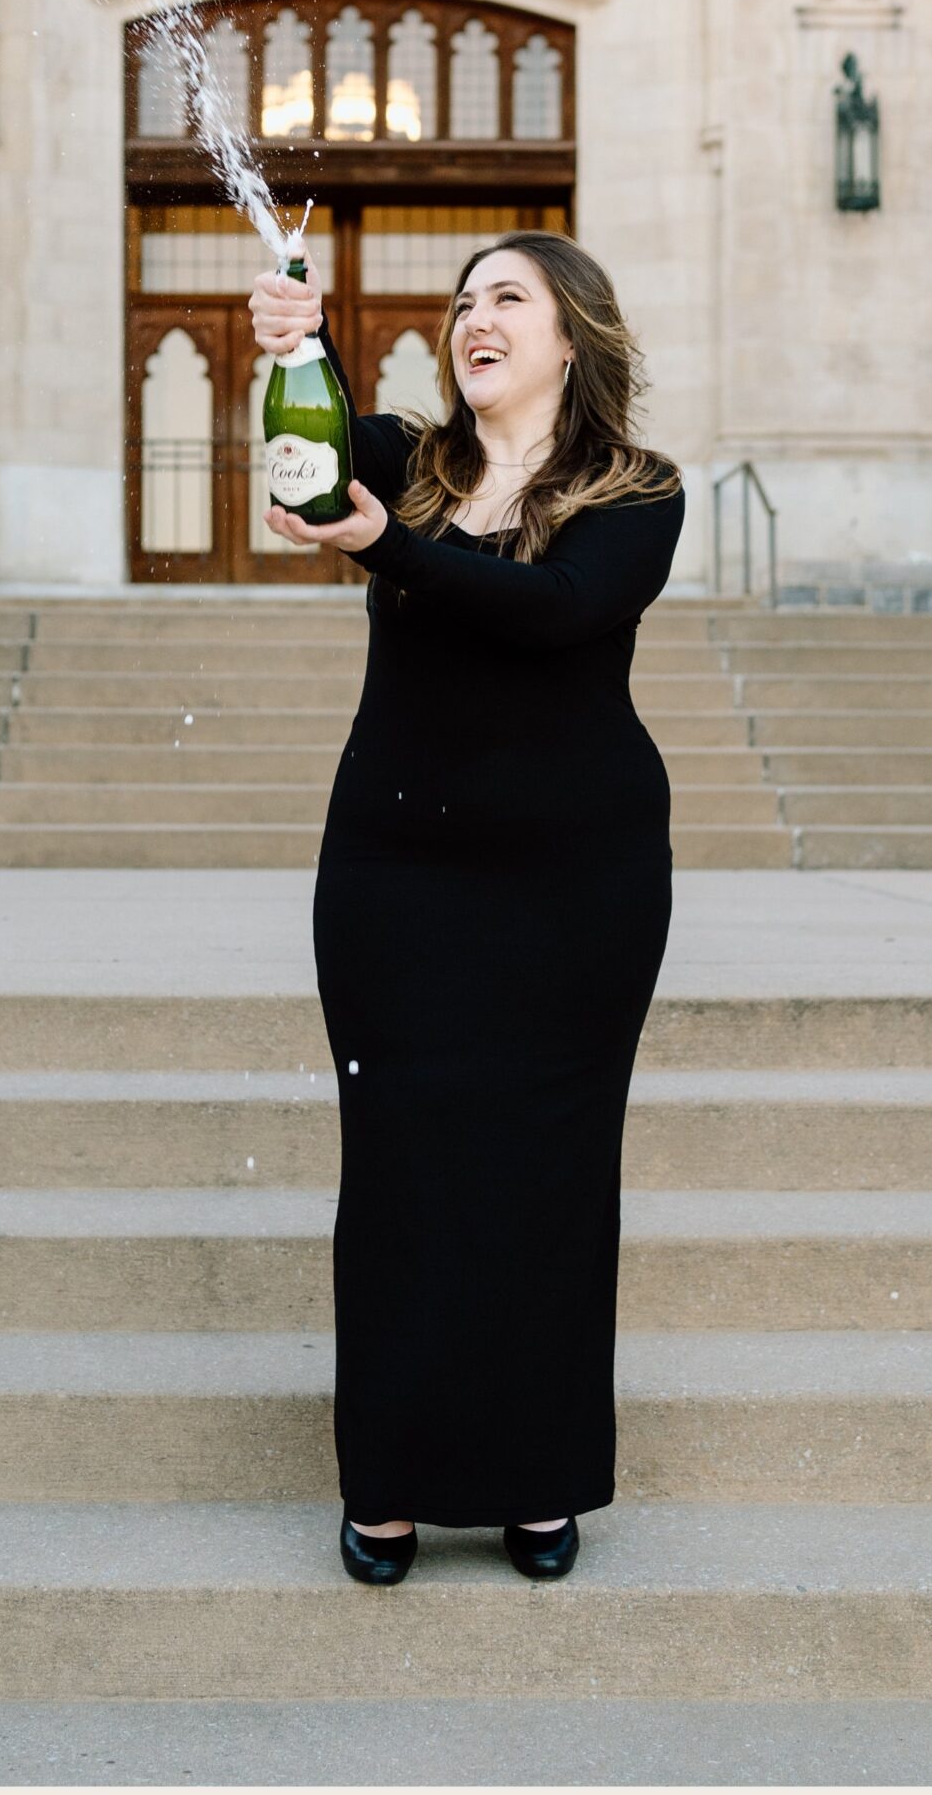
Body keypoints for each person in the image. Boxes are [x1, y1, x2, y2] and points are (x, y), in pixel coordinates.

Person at [247, 230, 685, 1585]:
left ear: (572, 337)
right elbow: (312, 460)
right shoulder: (404, 461)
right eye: (461, 302)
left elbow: (552, 612)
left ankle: (537, 1476)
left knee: (550, 1171)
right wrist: (294, 349)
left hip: (579, 877)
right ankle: (385, 1482)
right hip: (396, 868)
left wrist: (391, 552)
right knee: (403, 1168)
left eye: (508, 298)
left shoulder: (638, 492)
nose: (472, 318)